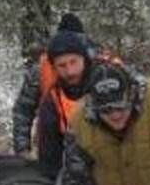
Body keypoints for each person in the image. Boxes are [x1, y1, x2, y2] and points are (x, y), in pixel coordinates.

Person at [11, 12, 92, 155]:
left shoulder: (41, 67)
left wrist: (22, 148)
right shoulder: (103, 61)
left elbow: (23, 110)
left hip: (53, 142)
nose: (69, 70)